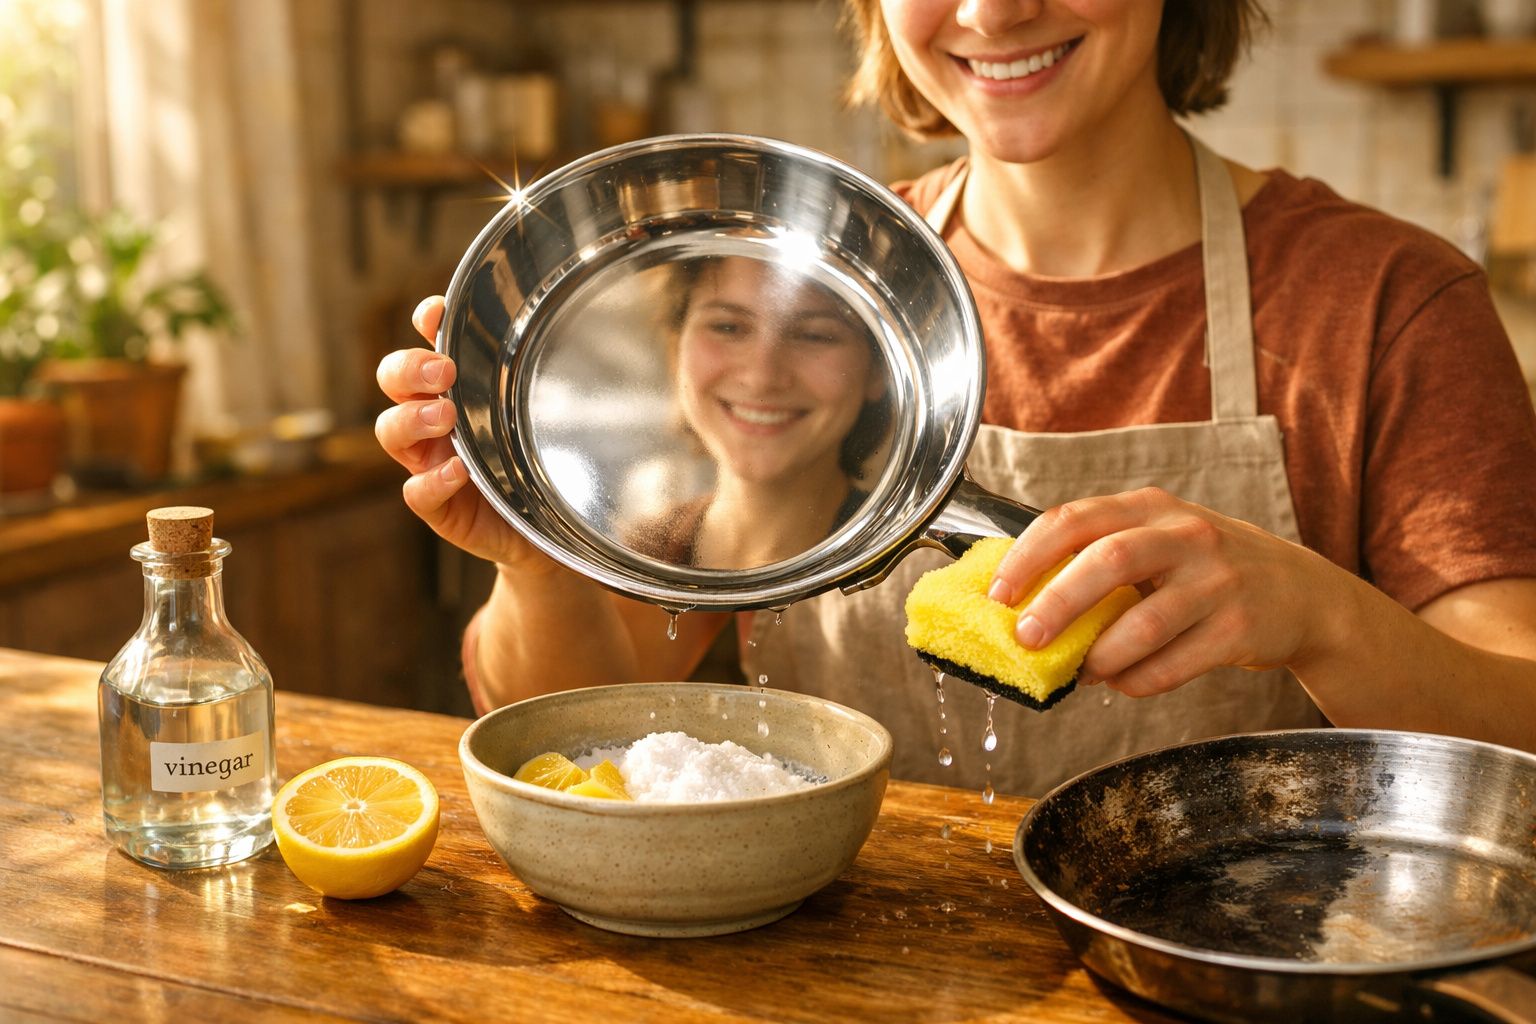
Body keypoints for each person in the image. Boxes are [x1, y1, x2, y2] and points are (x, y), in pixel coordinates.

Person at [375, 0, 1536, 796]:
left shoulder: (1385, 300)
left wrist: (1321, 615)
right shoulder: (816, 293)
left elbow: (1521, 727)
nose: (992, 9)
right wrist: (534, 561)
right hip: (854, 970)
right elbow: (582, 723)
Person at [628, 255, 890, 569]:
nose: (762, 378)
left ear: (879, 369)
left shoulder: (928, 575)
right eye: (727, 327)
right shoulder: (626, 563)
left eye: (814, 335)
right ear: (677, 349)